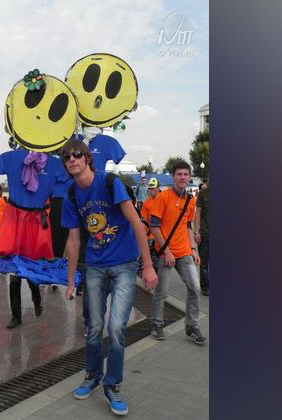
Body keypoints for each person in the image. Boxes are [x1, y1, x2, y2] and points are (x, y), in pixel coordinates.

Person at [60, 139, 158, 416]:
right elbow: (73, 240)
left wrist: (148, 265)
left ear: (87, 158)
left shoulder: (110, 182)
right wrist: (70, 281)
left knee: (115, 328)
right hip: (95, 266)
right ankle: (92, 376)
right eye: (66, 157)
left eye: (76, 154)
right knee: (93, 327)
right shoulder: (71, 194)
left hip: (124, 264)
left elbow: (136, 222)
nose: (71, 159)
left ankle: (112, 385)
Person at [0, 148, 67, 328]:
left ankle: (37, 299)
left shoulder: (54, 163)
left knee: (31, 270)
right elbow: (0, 167)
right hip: (14, 219)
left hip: (35, 221)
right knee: (14, 273)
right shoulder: (11, 157)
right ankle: (16, 315)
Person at [149, 161, 208, 345]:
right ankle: (156, 324)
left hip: (184, 252)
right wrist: (166, 252)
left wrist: (192, 249)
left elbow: (187, 226)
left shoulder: (190, 200)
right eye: (179, 174)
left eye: (185, 174)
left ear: (190, 177)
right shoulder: (162, 197)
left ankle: (191, 326)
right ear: (173, 176)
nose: (183, 177)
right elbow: (154, 226)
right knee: (162, 292)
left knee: (194, 288)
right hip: (165, 253)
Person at [194, 175, 210, 296]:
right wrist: (196, 231)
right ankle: (205, 287)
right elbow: (198, 213)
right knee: (204, 262)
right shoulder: (203, 194)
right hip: (205, 233)